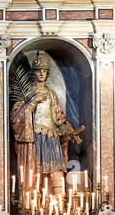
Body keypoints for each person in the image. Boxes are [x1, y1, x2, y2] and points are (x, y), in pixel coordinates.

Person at [10, 51, 78, 200]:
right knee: (36, 172)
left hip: (52, 137)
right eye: (38, 71)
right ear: (33, 73)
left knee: (56, 170)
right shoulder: (27, 93)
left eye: (44, 71)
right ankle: (36, 208)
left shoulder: (51, 93)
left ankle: (59, 207)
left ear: (47, 74)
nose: (41, 74)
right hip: (35, 137)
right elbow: (16, 116)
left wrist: (67, 127)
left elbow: (58, 115)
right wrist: (33, 101)